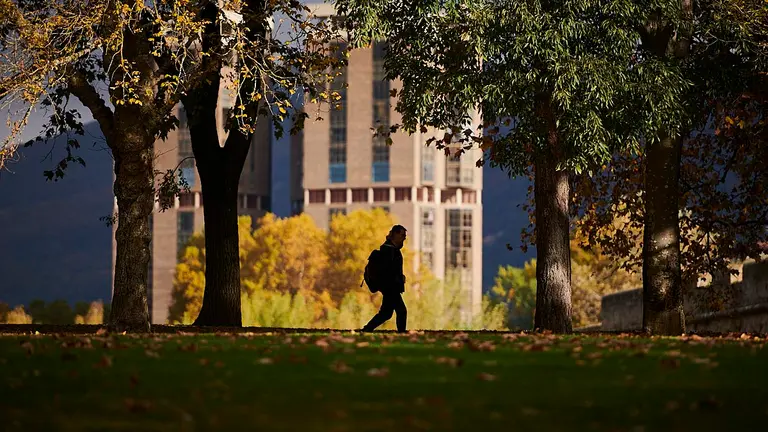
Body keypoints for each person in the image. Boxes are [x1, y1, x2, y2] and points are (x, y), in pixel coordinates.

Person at [361, 225, 408, 333]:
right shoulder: (389, 251)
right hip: (390, 287)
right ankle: (402, 333)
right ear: (395, 234)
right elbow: (388, 271)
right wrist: (396, 280)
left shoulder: (391, 250)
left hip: (389, 287)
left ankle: (367, 329)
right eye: (402, 235)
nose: (404, 238)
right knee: (401, 311)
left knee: (386, 313)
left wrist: (400, 277)